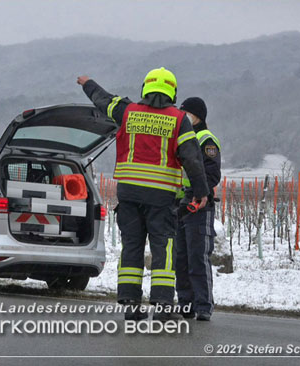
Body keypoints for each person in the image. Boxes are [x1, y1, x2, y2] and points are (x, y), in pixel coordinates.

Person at [77, 68, 209, 321]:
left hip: (129, 194)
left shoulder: (127, 112)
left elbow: (104, 100)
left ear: (145, 88)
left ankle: (131, 303)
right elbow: (191, 157)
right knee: (163, 248)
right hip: (161, 196)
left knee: (133, 246)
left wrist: (88, 83)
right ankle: (162, 306)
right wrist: (201, 191)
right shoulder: (178, 119)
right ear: (172, 91)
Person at [175, 97, 221, 321]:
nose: (183, 116)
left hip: (198, 205)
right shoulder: (182, 137)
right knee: (181, 258)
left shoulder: (206, 139)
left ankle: (203, 305)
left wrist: (198, 193)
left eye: (186, 113)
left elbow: (212, 174)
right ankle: (185, 304)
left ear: (197, 116)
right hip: (180, 205)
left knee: (197, 258)